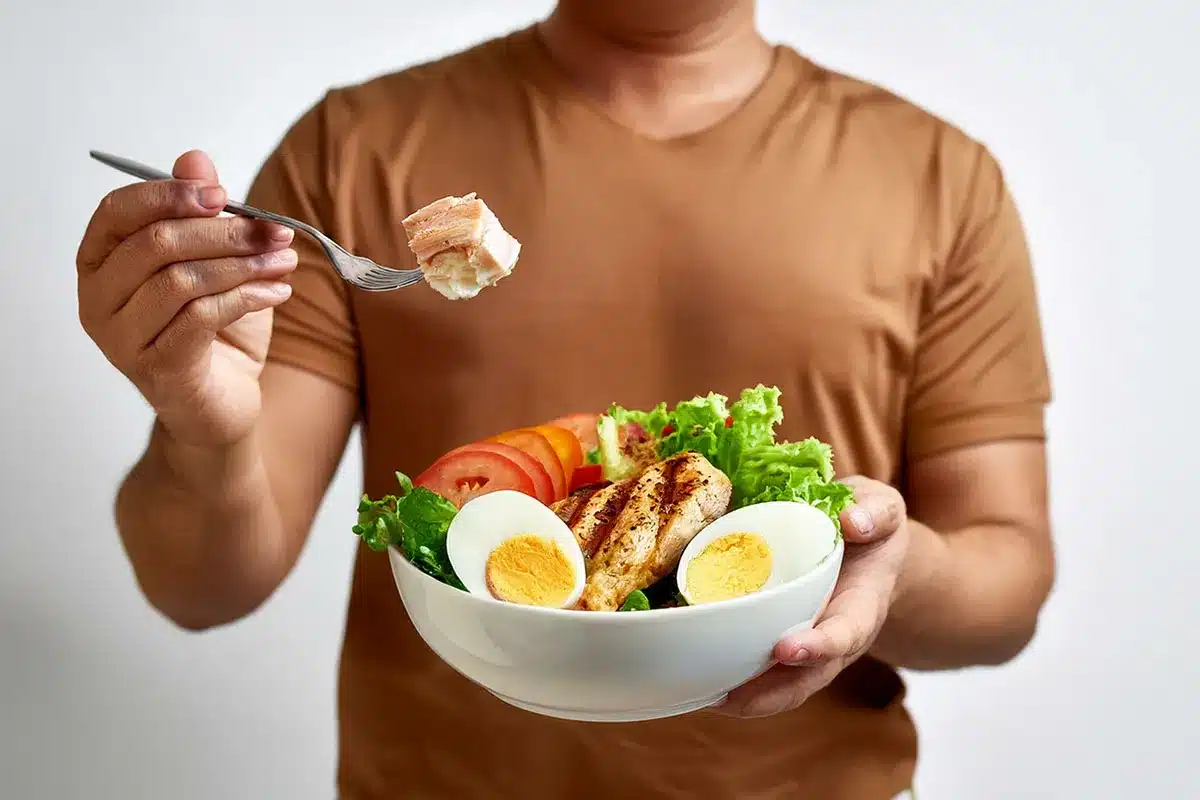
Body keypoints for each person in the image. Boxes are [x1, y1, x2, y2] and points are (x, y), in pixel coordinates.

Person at [75, 1, 1055, 797]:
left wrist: (889, 573)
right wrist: (200, 424)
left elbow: (1007, 576)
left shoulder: (938, 178)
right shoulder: (357, 147)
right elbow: (200, 584)